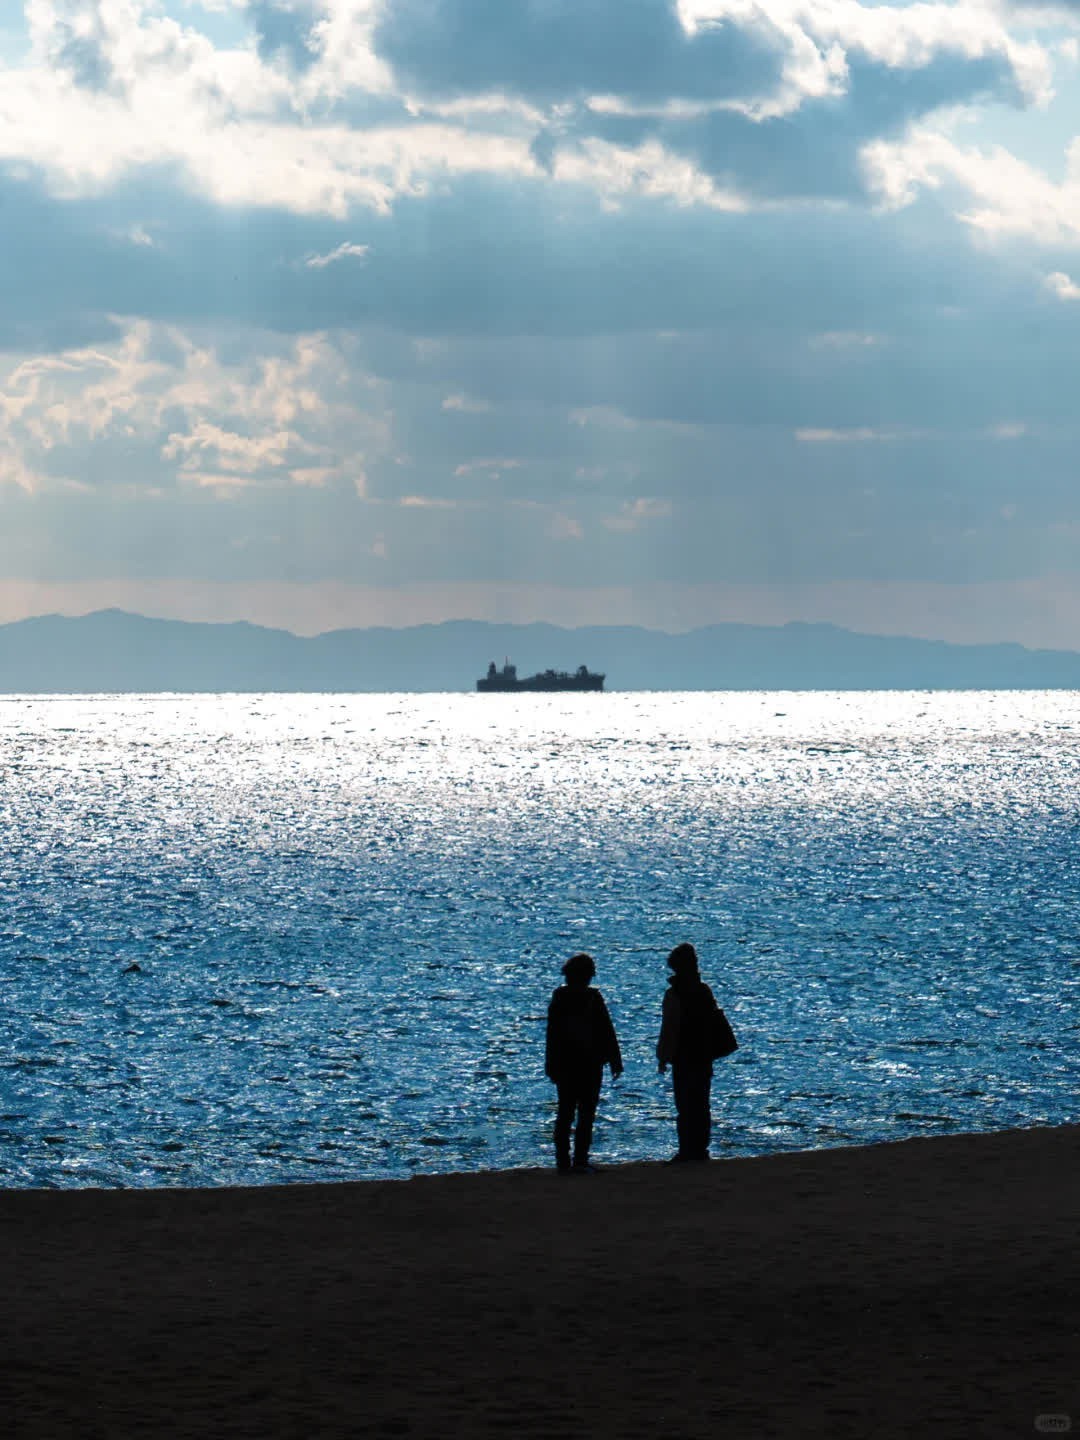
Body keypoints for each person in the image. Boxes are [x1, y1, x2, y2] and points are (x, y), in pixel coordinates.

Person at [545, 953, 623, 1174]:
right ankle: (578, 1160)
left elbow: (552, 1035)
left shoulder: (560, 997)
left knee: (566, 1114)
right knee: (583, 1114)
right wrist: (615, 1060)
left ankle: (564, 1162)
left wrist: (551, 1065)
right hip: (587, 1063)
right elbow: (607, 1031)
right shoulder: (591, 998)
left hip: (568, 1064)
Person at [656, 942, 723, 1163]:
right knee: (700, 1104)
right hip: (702, 1054)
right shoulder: (703, 990)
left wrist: (663, 1055)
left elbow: (669, 1028)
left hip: (684, 1055)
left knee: (685, 1105)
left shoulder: (674, 994)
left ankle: (687, 1150)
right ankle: (699, 1149)